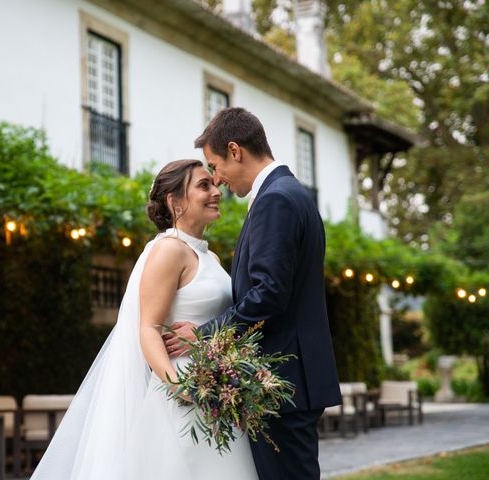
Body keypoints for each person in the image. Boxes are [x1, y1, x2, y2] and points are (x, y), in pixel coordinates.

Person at [30, 159, 258, 479]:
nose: (215, 191)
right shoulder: (168, 250)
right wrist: (180, 387)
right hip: (183, 387)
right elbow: (148, 328)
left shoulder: (211, 256)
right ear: (174, 200)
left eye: (213, 183)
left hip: (217, 386)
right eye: (203, 185)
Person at [164, 107, 342, 479]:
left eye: (215, 165)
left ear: (235, 150)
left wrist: (202, 335)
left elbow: (268, 295)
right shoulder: (288, 193)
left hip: (285, 382)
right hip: (292, 380)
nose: (217, 179)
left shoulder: (275, 200)